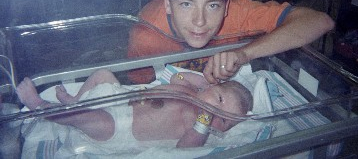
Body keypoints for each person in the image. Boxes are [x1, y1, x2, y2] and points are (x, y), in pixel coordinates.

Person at [127, 0, 335, 84]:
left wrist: (244, 54)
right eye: (186, 4)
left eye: (212, 6)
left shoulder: (237, 11)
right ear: (167, 3)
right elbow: (142, 90)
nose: (199, 21)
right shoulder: (146, 34)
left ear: (226, 6)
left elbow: (319, 21)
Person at [16, 69, 253, 149]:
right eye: (219, 99)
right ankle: (75, 99)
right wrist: (192, 77)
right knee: (103, 75)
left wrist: (202, 123)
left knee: (90, 118)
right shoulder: (192, 91)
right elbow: (175, 77)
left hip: (120, 127)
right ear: (211, 86)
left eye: (225, 120)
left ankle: (40, 106)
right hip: (121, 97)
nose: (216, 111)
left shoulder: (196, 123)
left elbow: (186, 149)